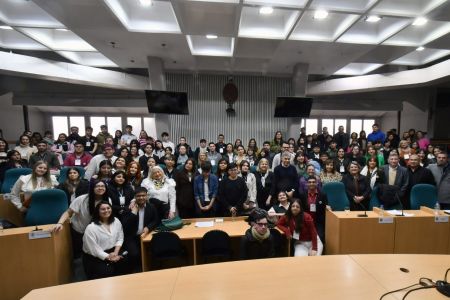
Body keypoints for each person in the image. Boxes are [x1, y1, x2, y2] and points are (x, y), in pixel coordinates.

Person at [82, 201, 126, 279]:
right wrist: (109, 257)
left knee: (125, 263)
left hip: (113, 251)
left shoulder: (116, 221)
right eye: (103, 209)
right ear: (97, 212)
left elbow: (120, 238)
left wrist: (115, 253)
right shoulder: (91, 228)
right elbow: (94, 250)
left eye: (108, 208)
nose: (106, 210)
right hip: (95, 256)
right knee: (107, 272)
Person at [122, 187, 159, 272]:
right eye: (138, 196)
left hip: (145, 235)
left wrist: (148, 227)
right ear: (135, 197)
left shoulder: (151, 207)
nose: (141, 198)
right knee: (135, 254)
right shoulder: (128, 208)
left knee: (152, 251)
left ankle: (149, 269)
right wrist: (134, 213)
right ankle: (136, 271)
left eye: (143, 195)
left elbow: (155, 220)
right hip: (131, 237)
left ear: (147, 196)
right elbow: (125, 226)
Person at [299, 176, 328, 244]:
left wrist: (328, 207)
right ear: (307, 184)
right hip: (306, 221)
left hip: (318, 222)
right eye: (309, 182)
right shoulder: (302, 195)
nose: (311, 184)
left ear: (317, 183)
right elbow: (301, 209)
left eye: (313, 182)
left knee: (320, 237)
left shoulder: (323, 195)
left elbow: (326, 208)